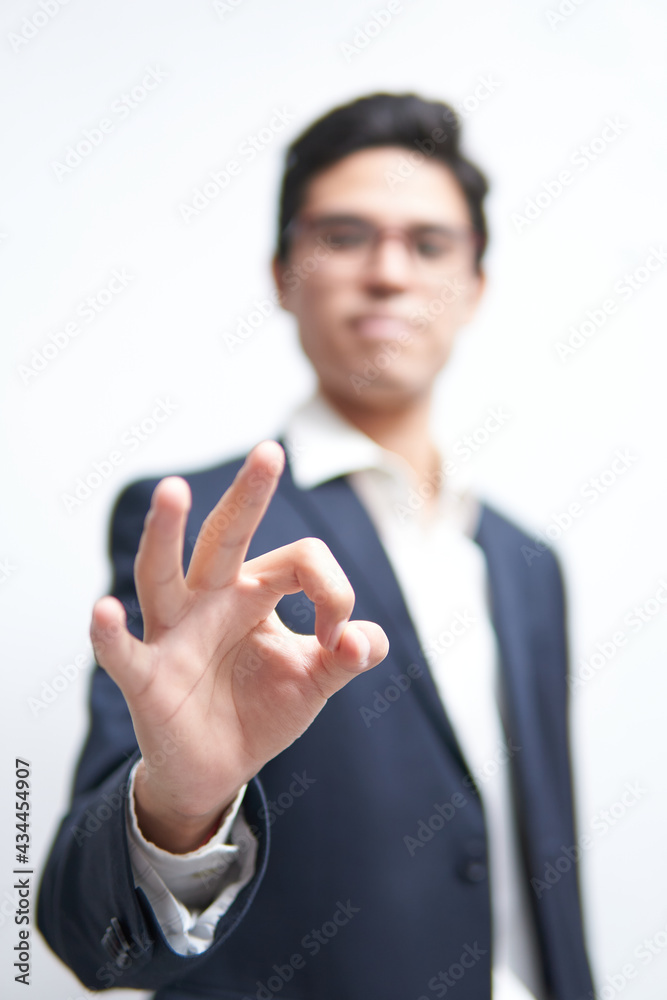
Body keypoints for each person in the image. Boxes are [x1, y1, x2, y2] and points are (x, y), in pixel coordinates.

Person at [38, 93, 594, 1000]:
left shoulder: (527, 564)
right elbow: (87, 933)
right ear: (283, 273)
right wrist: (180, 805)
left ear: (476, 285)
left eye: (428, 243)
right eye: (343, 236)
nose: (387, 272)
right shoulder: (202, 531)